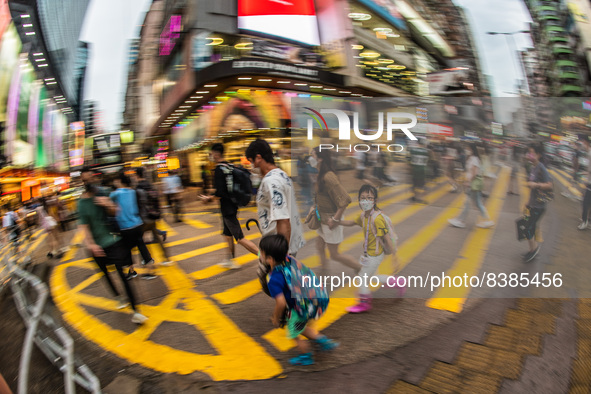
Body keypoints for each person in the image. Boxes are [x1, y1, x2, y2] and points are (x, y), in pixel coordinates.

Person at [79, 168, 147, 324]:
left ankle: (136, 311)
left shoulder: (103, 192)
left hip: (112, 240)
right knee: (105, 274)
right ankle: (118, 296)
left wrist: (107, 203)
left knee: (123, 274)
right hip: (96, 246)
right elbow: (84, 226)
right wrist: (91, 244)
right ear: (81, 182)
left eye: (90, 178)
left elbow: (116, 211)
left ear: (94, 178)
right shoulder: (81, 203)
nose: (88, 182)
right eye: (85, 180)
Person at [261, 234, 338, 366]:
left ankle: (306, 356)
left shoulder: (274, 280)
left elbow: (281, 303)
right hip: (317, 299)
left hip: (301, 307)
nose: (259, 255)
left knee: (294, 332)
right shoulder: (289, 259)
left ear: (270, 259)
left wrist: (276, 317)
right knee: (301, 327)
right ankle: (323, 341)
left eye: (261, 253)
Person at [246, 139, 305, 294]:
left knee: (275, 281)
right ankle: (289, 310)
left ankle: (290, 311)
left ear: (259, 158)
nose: (253, 166)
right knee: (280, 280)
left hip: (278, 243)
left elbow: (283, 218)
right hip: (286, 241)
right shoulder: (282, 175)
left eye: (252, 161)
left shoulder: (271, 181)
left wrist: (281, 253)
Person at [339, 185, 404, 313]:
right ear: (359, 200)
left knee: (362, 277)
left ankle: (364, 303)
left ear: (374, 201)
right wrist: (337, 222)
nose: (366, 201)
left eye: (369, 198)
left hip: (375, 255)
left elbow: (386, 238)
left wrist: (394, 257)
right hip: (367, 255)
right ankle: (398, 283)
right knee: (373, 277)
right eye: (363, 198)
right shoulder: (364, 216)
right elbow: (352, 222)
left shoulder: (377, 219)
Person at [201, 143, 259, 269]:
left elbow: (220, 193)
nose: (210, 156)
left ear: (216, 154)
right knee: (227, 234)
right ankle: (230, 259)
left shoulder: (218, 170)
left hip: (227, 209)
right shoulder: (229, 166)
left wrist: (208, 199)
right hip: (232, 205)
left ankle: (263, 257)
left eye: (211, 154)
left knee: (239, 238)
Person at [311, 148, 361, 275]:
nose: (310, 158)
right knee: (319, 246)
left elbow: (345, 199)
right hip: (323, 219)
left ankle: (360, 267)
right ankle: (323, 270)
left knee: (335, 255)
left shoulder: (328, 176)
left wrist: (335, 220)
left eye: (312, 155)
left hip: (330, 220)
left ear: (320, 158)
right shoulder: (321, 174)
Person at [110, 172, 157, 280]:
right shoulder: (133, 191)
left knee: (126, 249)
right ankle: (150, 270)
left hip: (125, 227)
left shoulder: (115, 194)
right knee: (142, 247)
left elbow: (110, 206)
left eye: (116, 180)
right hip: (137, 224)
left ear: (119, 181)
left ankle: (132, 271)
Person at [448, 143, 495, 229]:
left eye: (468, 148)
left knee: (467, 203)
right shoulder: (474, 158)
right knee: (477, 203)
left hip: (473, 184)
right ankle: (487, 220)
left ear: (471, 149)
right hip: (474, 183)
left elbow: (475, 172)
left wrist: (468, 182)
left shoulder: (474, 159)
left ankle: (460, 221)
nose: (466, 149)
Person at [133, 167, 171, 265]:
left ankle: (145, 259)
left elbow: (137, 204)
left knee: (141, 241)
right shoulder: (149, 185)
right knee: (157, 238)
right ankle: (166, 258)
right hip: (152, 215)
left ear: (137, 175)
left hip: (143, 218)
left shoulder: (138, 188)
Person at [522, 144, 553, 262]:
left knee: (528, 228)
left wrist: (536, 185)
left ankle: (534, 249)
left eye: (532, 153)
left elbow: (550, 185)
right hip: (533, 204)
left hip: (539, 206)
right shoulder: (533, 167)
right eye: (529, 153)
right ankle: (531, 250)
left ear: (538, 155)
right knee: (530, 227)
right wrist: (528, 202)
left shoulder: (541, 168)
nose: (529, 155)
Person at [408, 139, 429, 203]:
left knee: (415, 184)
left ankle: (415, 197)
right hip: (422, 170)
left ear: (417, 143)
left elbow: (409, 160)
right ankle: (419, 198)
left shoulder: (413, 150)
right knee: (421, 185)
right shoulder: (426, 151)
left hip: (415, 169)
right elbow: (427, 161)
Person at [578, 135, 591, 230]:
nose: (581, 144)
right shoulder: (588, 153)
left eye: (582, 142)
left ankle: (584, 221)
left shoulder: (590, 153)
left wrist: (587, 181)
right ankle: (588, 220)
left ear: (585, 142)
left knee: (585, 202)